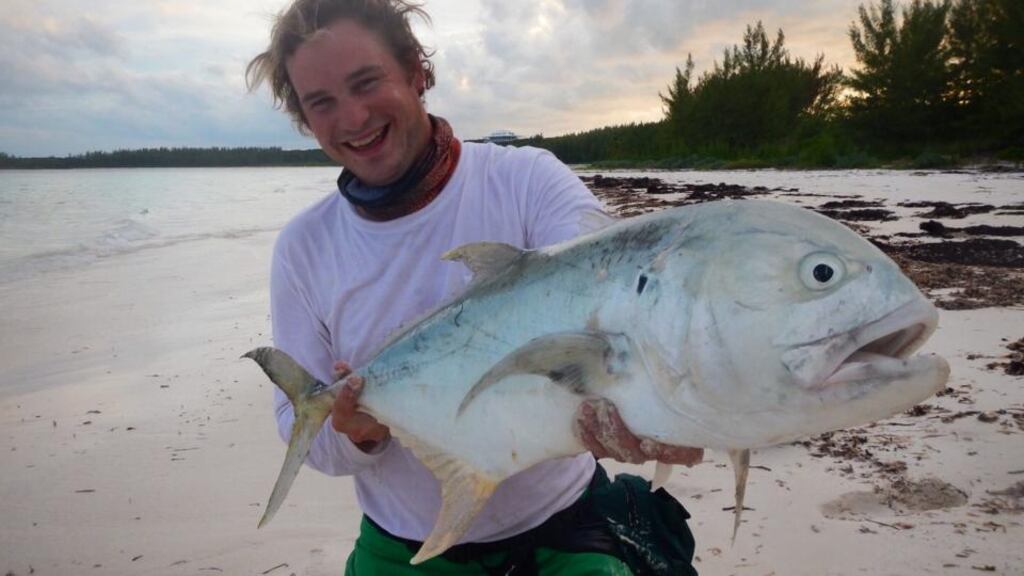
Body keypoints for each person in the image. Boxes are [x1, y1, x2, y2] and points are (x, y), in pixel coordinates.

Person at [246, 1, 703, 573]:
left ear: (416, 70)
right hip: (403, 549)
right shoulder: (303, 248)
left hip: (565, 531)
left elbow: (615, 287)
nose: (354, 117)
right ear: (305, 120)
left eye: (367, 83)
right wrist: (357, 432)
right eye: (322, 103)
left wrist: (661, 409)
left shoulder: (526, 182)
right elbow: (301, 429)